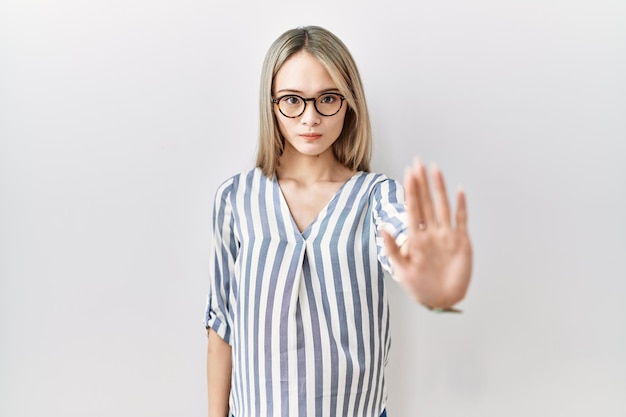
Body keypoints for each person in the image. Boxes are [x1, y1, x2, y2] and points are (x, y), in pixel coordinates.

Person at [204, 25, 473, 417]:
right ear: (271, 103)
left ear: (348, 103)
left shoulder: (377, 196)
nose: (310, 118)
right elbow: (221, 325)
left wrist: (437, 283)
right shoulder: (235, 199)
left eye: (327, 98)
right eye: (293, 100)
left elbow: (409, 251)